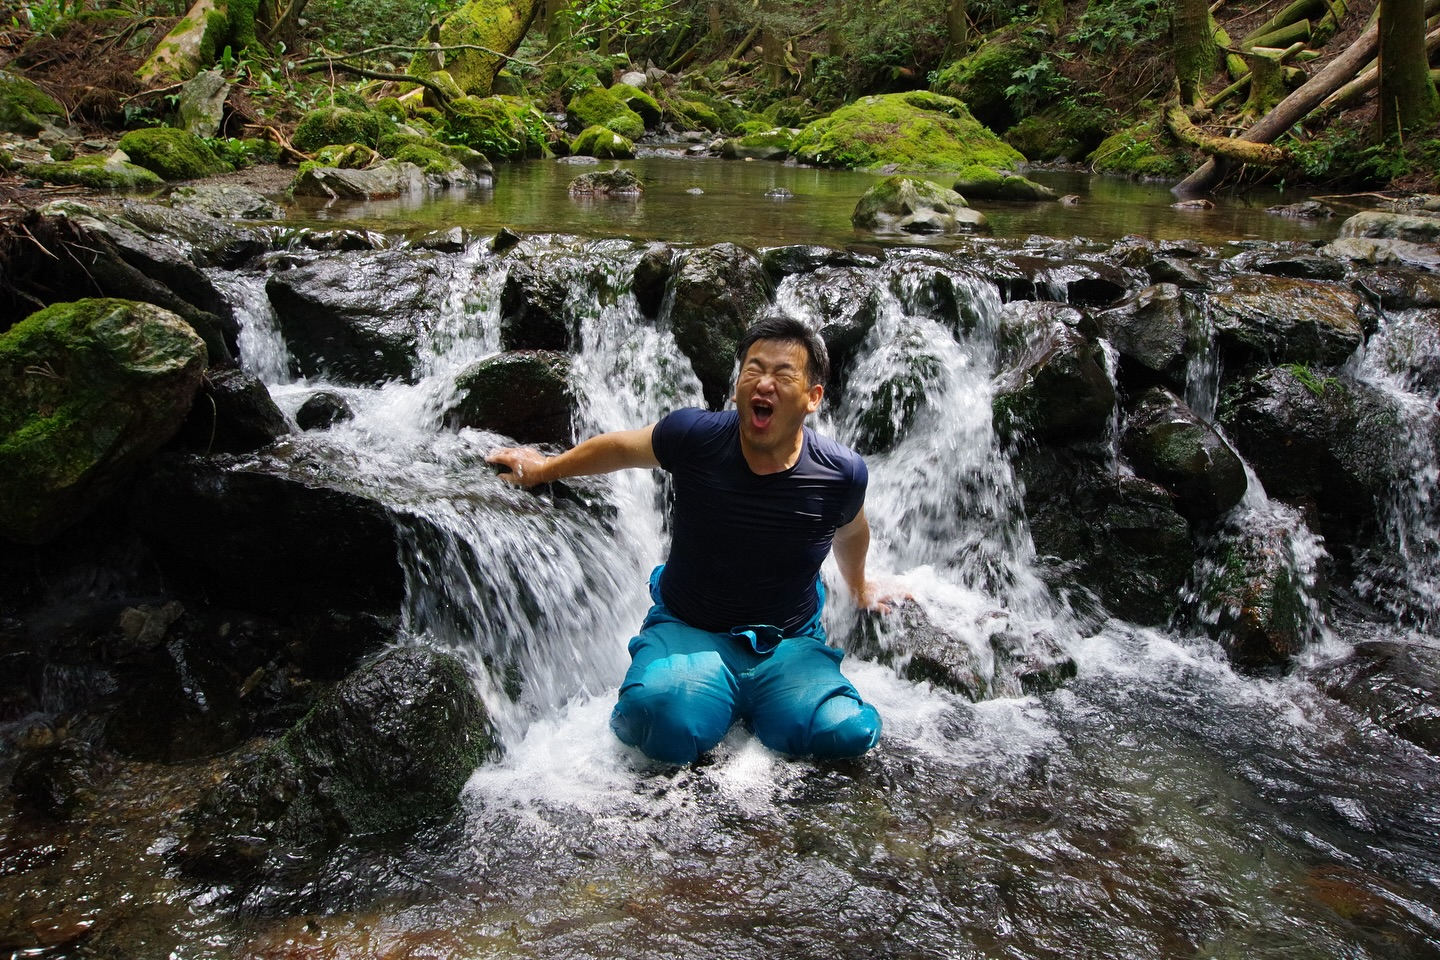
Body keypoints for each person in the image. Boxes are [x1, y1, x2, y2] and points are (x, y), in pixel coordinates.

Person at [486, 315, 897, 764]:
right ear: (738, 383)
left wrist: (858, 588)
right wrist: (545, 468)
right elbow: (622, 448)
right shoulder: (695, 437)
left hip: (789, 642)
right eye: (753, 370)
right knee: (657, 720)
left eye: (783, 374)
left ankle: (766, 702)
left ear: (812, 397)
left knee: (849, 733)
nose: (764, 384)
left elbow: (852, 532)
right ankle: (706, 696)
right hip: (691, 630)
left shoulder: (840, 473)